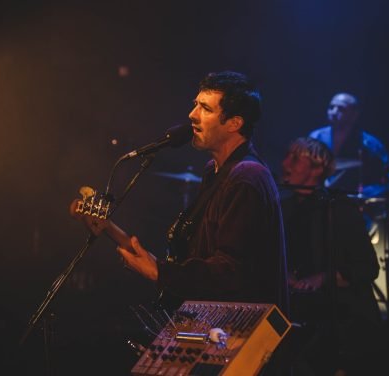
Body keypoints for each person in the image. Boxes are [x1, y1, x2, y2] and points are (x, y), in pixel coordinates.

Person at [70, 71, 289, 374]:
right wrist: (108, 229)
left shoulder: (247, 178)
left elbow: (229, 271)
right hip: (219, 333)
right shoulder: (216, 172)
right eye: (195, 105)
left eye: (206, 108)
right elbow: (200, 259)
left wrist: (159, 271)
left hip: (239, 345)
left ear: (235, 123)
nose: (192, 115)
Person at [279, 136, 384, 375]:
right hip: (302, 320)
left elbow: (367, 267)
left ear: (317, 169)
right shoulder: (285, 207)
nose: (285, 163)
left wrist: (321, 278)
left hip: (343, 327)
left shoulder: (339, 208)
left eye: (295, 159)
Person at [308, 92, 389, 198]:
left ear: (354, 114)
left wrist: (370, 192)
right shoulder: (316, 137)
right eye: (331, 107)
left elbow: (388, 174)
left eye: (341, 109)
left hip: (353, 201)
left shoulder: (369, 143)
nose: (334, 112)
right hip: (320, 199)